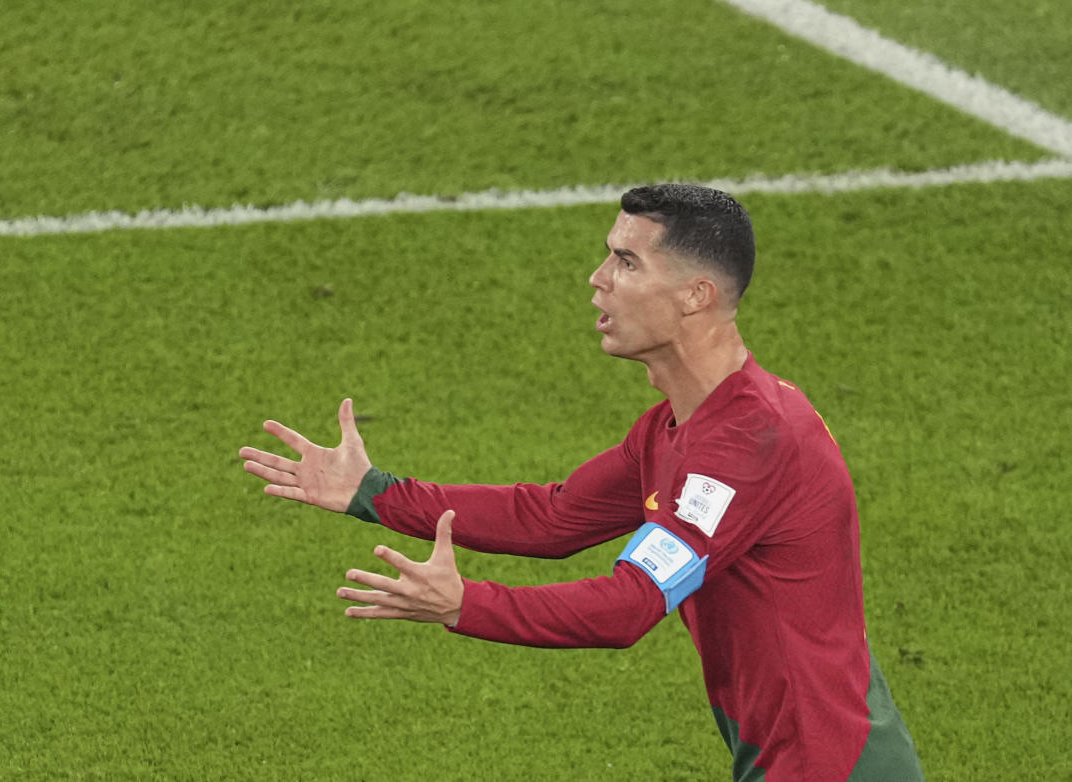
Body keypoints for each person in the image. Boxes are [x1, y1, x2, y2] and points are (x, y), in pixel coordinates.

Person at [239, 184, 924, 781]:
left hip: (830, 767)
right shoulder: (676, 429)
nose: (598, 279)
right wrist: (374, 491)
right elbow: (555, 517)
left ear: (695, 295)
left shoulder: (748, 445)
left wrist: (462, 604)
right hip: (803, 757)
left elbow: (629, 607)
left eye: (626, 262)